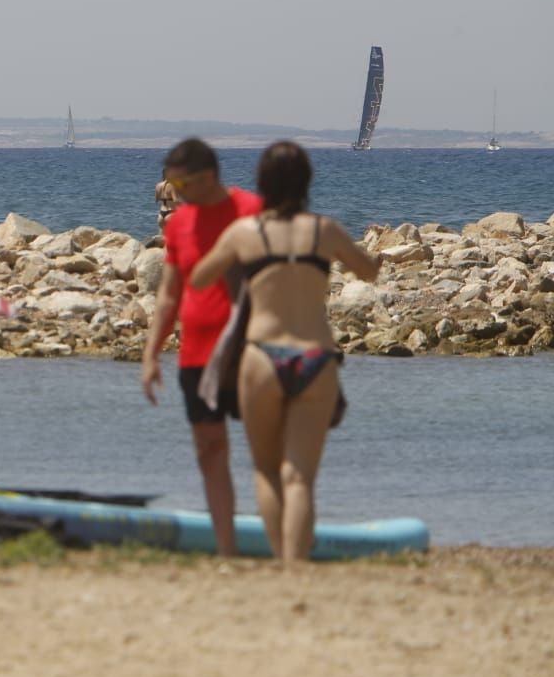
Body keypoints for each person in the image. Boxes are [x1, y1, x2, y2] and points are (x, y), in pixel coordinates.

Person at [190, 141, 381, 562]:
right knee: (300, 478)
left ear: (262, 182)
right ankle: (296, 567)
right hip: (316, 356)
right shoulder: (323, 230)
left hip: (261, 356)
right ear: (306, 181)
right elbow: (368, 271)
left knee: (267, 470)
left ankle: (279, 562)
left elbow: (201, 278)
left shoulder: (245, 232)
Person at [140, 138, 263, 556]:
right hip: (196, 353)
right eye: (169, 183)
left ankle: (284, 545)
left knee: (266, 452)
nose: (173, 192)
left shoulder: (251, 211)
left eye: (180, 182)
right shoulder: (178, 224)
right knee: (210, 453)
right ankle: (227, 551)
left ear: (208, 176)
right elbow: (169, 294)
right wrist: (151, 353)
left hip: (250, 350)